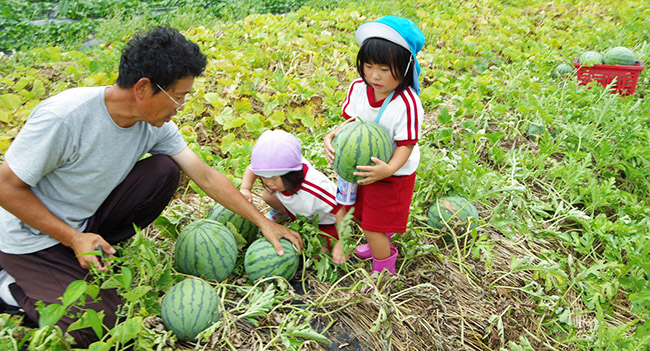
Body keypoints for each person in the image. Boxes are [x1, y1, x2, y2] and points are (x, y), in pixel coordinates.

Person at [0, 26, 302, 348]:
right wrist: (73, 238)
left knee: (164, 169)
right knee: (97, 326)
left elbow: (206, 175)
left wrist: (263, 222)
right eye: (179, 96)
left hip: (84, 220)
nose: (182, 106)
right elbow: (6, 189)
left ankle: (91, 249)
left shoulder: (154, 125)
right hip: (27, 236)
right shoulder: (66, 116)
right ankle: (9, 286)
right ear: (143, 88)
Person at [323, 16, 425, 274]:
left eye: (384, 69)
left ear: (404, 67)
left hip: (392, 175)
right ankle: (374, 244)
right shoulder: (358, 88)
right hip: (358, 168)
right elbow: (349, 122)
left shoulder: (407, 103)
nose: (374, 76)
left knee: (374, 226)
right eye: (368, 66)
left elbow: (406, 145)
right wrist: (332, 137)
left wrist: (388, 169)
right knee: (359, 214)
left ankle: (384, 270)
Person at [240, 130, 348, 264]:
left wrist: (343, 241)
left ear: (291, 174)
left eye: (273, 178)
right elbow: (252, 169)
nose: (268, 182)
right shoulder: (283, 171)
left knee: (318, 253)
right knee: (268, 195)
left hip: (325, 222)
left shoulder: (315, 189)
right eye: (263, 177)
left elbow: (341, 209)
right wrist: (245, 188)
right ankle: (282, 214)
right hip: (300, 211)